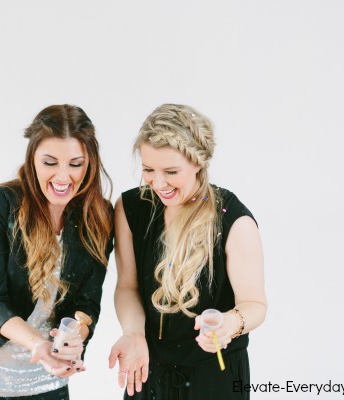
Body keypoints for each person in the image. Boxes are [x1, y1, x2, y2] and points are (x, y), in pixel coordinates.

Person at [0, 104, 114, 400]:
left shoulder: (98, 217)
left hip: (45, 373)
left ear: (90, 163)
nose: (63, 176)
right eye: (50, 162)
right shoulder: (1, 203)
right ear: (32, 160)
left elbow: (87, 303)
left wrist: (74, 339)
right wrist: (37, 345)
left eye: (75, 164)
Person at [108, 104, 266, 399]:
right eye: (148, 170)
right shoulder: (130, 209)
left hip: (214, 377)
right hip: (148, 370)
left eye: (171, 171)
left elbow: (255, 304)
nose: (158, 183)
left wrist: (230, 324)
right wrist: (133, 333)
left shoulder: (234, 220)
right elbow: (128, 286)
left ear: (198, 162)